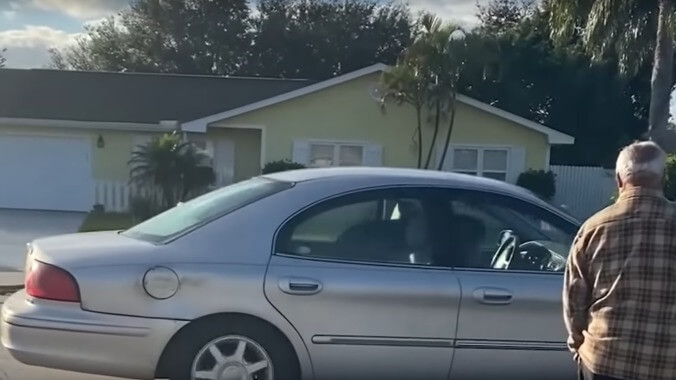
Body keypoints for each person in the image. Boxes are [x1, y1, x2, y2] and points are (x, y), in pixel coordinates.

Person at [563, 141, 676, 380]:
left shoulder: (594, 229)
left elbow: (574, 302)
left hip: (605, 361)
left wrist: (578, 348)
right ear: (662, 178)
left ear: (618, 178)